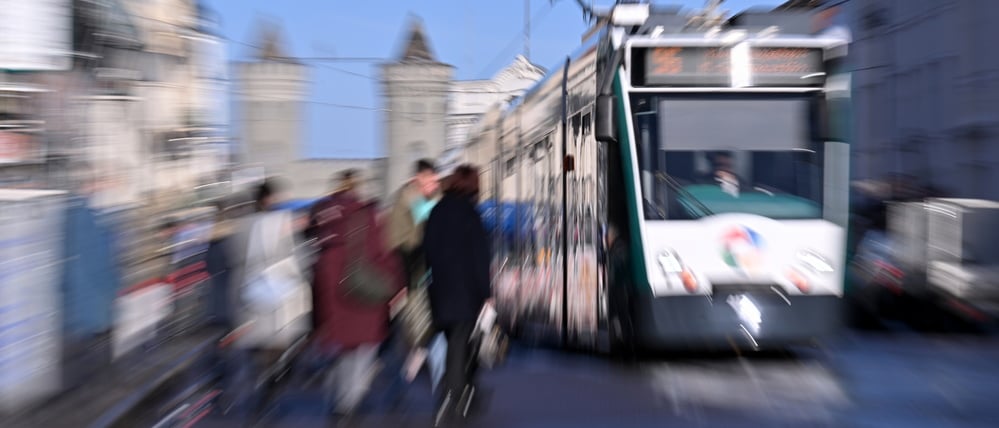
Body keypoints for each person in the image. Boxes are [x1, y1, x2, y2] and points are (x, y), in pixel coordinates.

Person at [310, 169, 404, 418]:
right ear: (357, 188)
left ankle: (338, 402)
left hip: (330, 294)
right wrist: (395, 283)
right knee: (363, 352)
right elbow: (381, 253)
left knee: (340, 351)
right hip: (362, 291)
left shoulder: (321, 217)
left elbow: (313, 257)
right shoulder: (365, 214)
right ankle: (347, 406)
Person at [423, 164, 493, 426]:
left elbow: (427, 251)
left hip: (440, 291)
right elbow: (480, 257)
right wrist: (486, 293)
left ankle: (462, 397)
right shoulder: (470, 213)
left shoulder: (437, 211)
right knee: (459, 349)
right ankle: (450, 401)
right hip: (466, 293)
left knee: (454, 344)